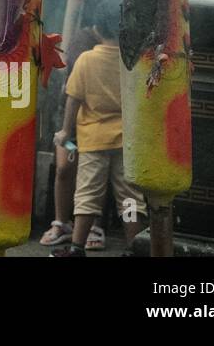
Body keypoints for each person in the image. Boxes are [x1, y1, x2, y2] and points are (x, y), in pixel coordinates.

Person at [50, 21, 147, 257]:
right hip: (127, 142)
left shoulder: (86, 60)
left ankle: (76, 248)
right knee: (131, 199)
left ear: (99, 31)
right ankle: (134, 248)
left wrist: (65, 132)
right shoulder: (133, 63)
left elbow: (73, 99)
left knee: (87, 195)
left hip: (94, 141)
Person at [40, 25, 100, 249]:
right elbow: (71, 84)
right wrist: (66, 128)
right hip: (70, 114)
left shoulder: (115, 42)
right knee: (64, 168)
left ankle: (94, 225)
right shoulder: (81, 37)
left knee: (96, 173)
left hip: (98, 118)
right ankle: (62, 223)